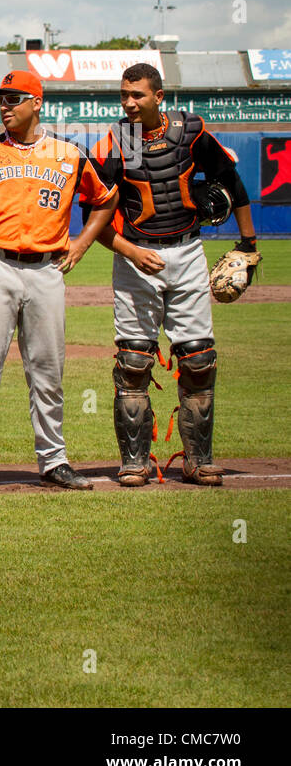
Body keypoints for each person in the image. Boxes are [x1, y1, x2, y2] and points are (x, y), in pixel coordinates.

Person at [0, 70, 117, 493]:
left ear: (37, 103)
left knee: (48, 371)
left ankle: (54, 460)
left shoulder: (70, 153)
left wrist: (82, 244)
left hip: (47, 271)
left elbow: (106, 198)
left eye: (13, 98)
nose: (4, 106)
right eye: (0, 100)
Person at [90, 62, 259, 486]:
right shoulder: (120, 141)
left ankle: (198, 460)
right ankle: (135, 462)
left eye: (137, 95)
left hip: (186, 252)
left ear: (159, 96)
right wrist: (131, 251)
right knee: (133, 361)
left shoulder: (190, 132)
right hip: (137, 260)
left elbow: (232, 183)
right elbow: (96, 215)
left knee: (199, 359)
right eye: (124, 95)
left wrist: (248, 244)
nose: (128, 103)